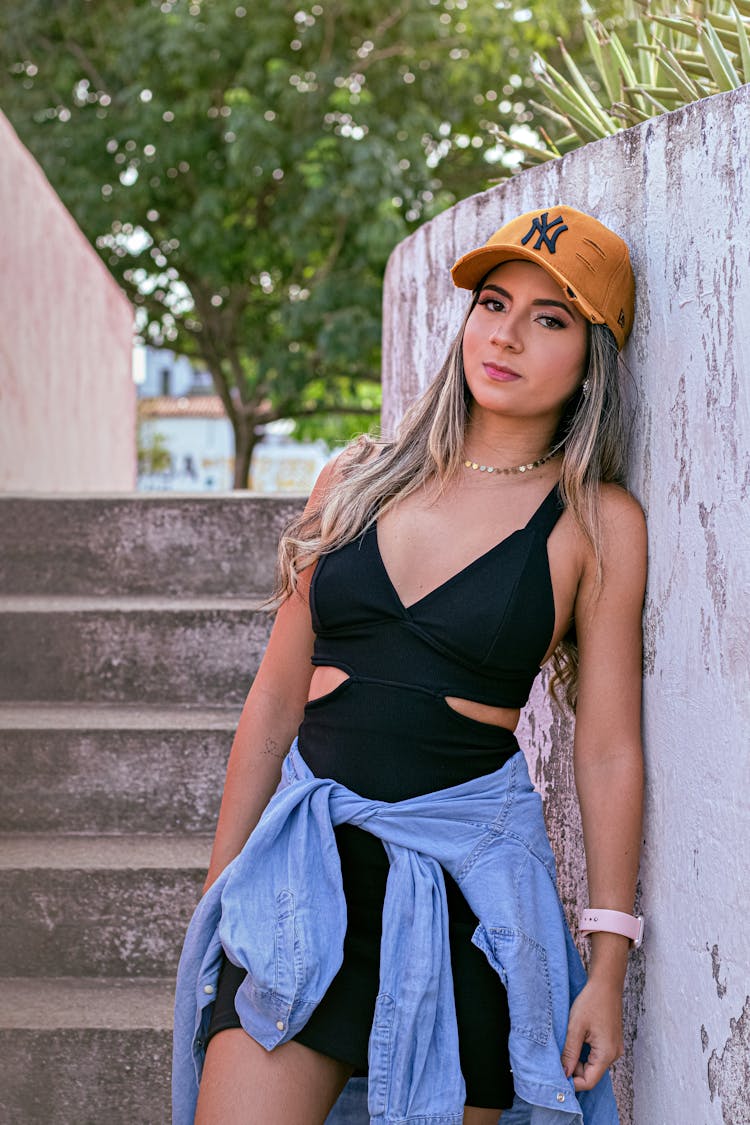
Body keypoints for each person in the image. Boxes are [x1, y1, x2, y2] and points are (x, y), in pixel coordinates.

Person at [172, 205, 646, 1125]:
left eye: (550, 319)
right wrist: (222, 890)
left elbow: (609, 750)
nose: (504, 334)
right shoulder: (354, 478)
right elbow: (273, 702)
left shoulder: (597, 523)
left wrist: (608, 964)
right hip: (308, 877)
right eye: (493, 303)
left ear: (594, 357)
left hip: (470, 894)